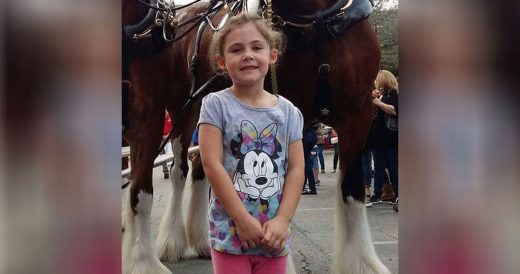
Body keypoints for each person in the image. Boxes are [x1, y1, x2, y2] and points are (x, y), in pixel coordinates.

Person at [198, 13, 305, 274]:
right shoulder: (215, 105)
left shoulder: (289, 112)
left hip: (274, 236)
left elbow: (296, 169)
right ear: (222, 62)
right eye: (237, 49)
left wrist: (283, 220)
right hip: (230, 233)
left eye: (256, 47)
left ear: (272, 56)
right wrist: (242, 219)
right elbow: (212, 165)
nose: (248, 54)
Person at [366, 70, 399, 206]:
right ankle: (378, 193)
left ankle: (398, 193)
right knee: (379, 167)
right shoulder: (381, 94)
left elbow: (394, 110)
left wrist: (377, 103)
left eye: (376, 79)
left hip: (389, 137)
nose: (375, 82)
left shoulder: (392, 93)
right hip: (378, 138)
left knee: (393, 166)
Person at [302, 125, 318, 194]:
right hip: (311, 135)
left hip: (306, 136)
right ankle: (303, 186)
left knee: (305, 163)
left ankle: (312, 188)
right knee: (305, 163)